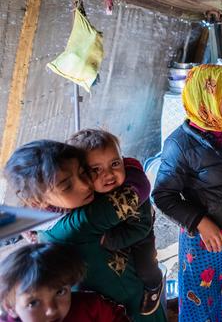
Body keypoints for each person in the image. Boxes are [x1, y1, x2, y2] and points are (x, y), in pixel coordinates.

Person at [3, 140, 166, 321]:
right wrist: (131, 168)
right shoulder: (83, 221)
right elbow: (136, 189)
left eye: (83, 172)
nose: (85, 185)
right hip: (130, 301)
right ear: (37, 201)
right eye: (67, 186)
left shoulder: (41, 221)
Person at [152, 64, 222, 321]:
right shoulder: (179, 144)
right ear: (206, 99)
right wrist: (200, 222)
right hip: (202, 241)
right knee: (201, 306)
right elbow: (163, 196)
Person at [66, 128, 162, 315]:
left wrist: (111, 240)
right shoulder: (84, 195)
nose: (109, 174)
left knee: (146, 267)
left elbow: (141, 228)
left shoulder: (131, 193)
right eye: (96, 170)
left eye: (115, 164)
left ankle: (154, 285)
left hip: (139, 235)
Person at [0, 243, 129, 322]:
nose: (51, 310)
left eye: (60, 292)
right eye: (32, 303)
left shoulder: (90, 307)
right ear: (10, 308)